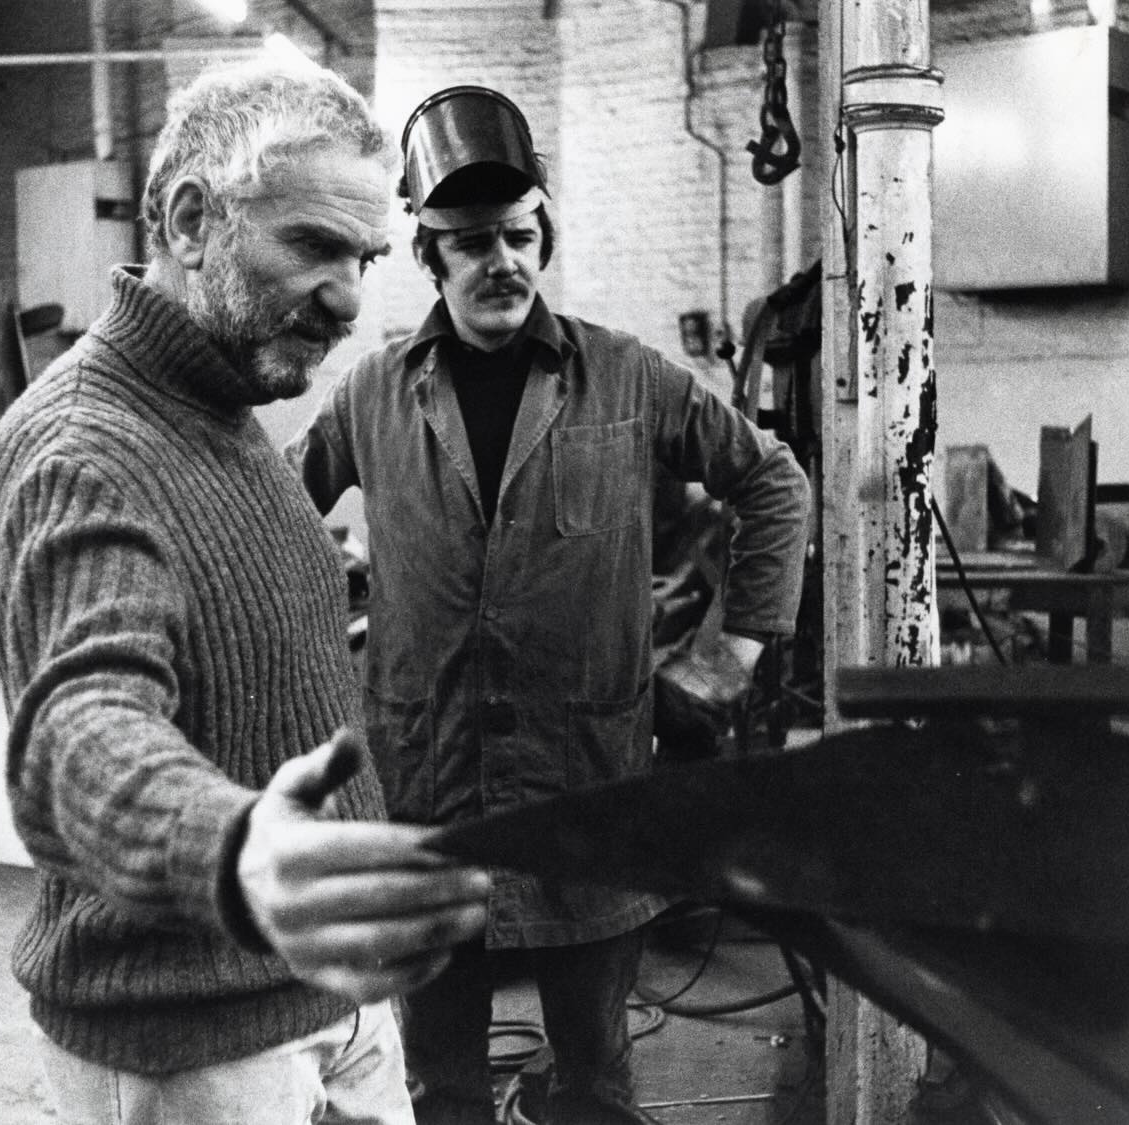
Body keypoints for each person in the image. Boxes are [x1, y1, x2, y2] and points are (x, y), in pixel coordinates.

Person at [0, 54, 492, 1125]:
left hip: (324, 1007)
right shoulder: (85, 449)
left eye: (366, 256)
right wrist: (237, 849)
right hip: (193, 1050)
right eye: (310, 246)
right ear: (192, 219)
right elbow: (81, 729)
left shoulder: (220, 416)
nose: (347, 296)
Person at [286, 86, 812, 1125]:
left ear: (545, 238)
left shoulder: (627, 382)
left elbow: (774, 481)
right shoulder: (371, 395)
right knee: (442, 1089)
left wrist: (736, 651)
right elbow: (271, 521)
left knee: (597, 1085)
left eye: (520, 235)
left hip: (589, 801)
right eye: (471, 242)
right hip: (426, 798)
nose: (502, 262)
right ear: (430, 259)